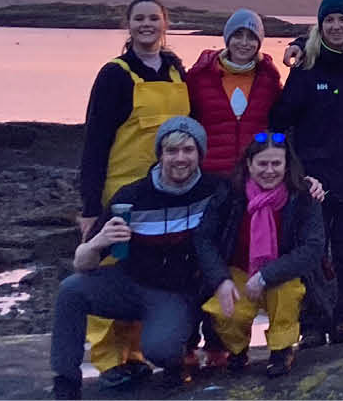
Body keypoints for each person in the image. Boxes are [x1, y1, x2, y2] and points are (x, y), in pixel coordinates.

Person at [50, 114, 221, 399]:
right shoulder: (131, 197)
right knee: (71, 290)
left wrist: (309, 185)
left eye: (188, 150)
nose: (180, 158)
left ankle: (175, 350)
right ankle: (66, 382)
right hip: (129, 284)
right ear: (160, 155)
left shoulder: (214, 192)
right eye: (171, 151)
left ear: (199, 153)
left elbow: (267, 187)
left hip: (175, 293)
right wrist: (97, 242)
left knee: (161, 351)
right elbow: (82, 263)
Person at [72, 0, 189, 379]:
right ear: (129, 24)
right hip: (119, 197)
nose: (146, 25)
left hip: (165, 194)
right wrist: (91, 208)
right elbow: (95, 143)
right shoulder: (115, 75)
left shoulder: (175, 71)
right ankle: (108, 361)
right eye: (139, 18)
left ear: (165, 24)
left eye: (153, 18)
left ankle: (135, 354)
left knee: (147, 272)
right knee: (112, 268)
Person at [272, 0, 343, 346]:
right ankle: (315, 321)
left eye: (342, 20)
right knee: (312, 250)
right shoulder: (306, 65)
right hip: (312, 176)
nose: (336, 26)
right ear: (321, 26)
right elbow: (281, 116)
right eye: (329, 20)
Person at [198, 133, 329, 377]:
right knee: (227, 311)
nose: (269, 170)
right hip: (237, 269)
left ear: (287, 165)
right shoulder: (229, 192)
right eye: (262, 164)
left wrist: (266, 275)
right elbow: (204, 238)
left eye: (276, 164)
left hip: (283, 270)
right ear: (249, 164)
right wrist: (220, 279)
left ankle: (281, 349)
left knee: (286, 295)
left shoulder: (303, 195)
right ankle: (236, 350)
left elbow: (312, 248)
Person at [188, 9, 285, 179]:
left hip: (256, 177)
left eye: (252, 37)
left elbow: (280, 123)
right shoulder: (200, 76)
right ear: (227, 38)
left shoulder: (269, 78)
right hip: (209, 177)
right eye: (238, 35)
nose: (244, 43)